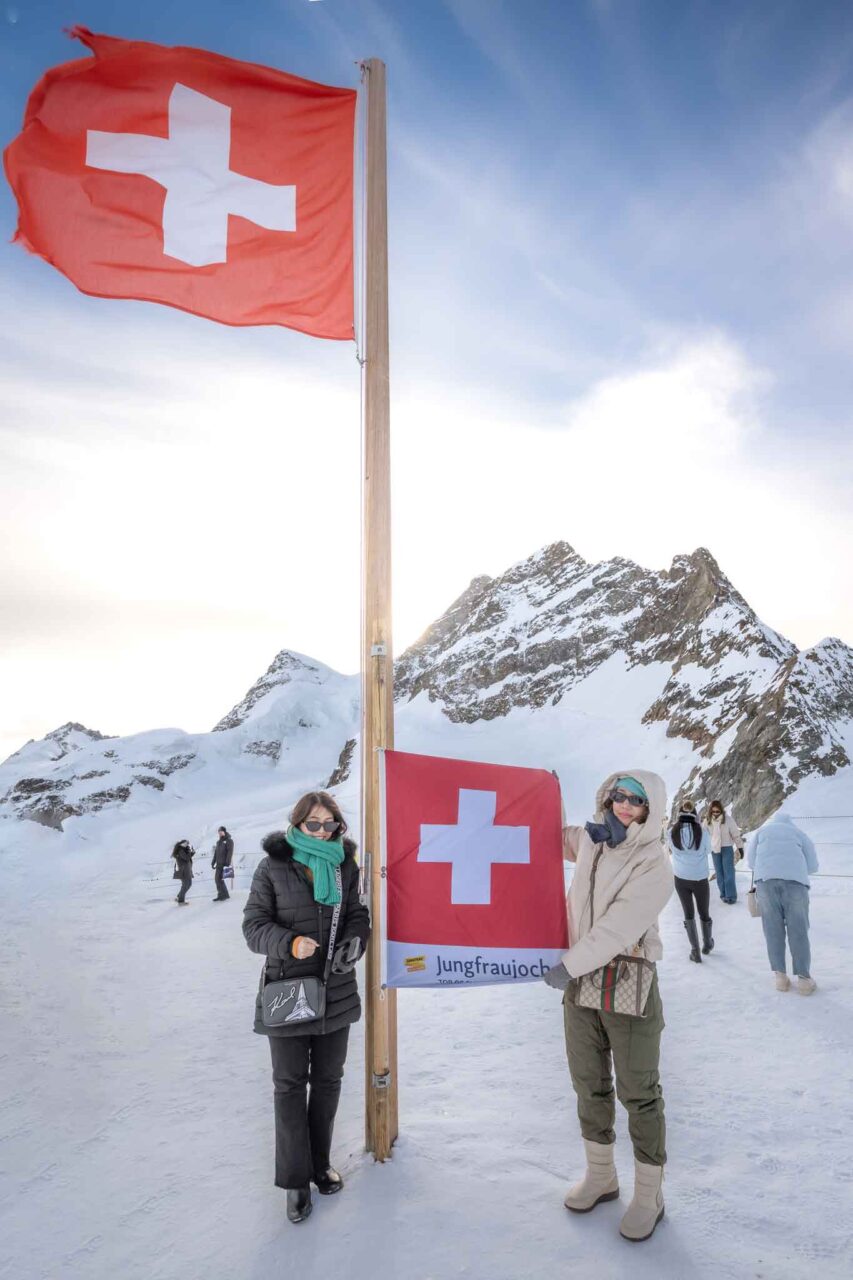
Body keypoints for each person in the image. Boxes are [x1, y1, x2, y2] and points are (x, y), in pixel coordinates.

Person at [543, 772, 673, 1243]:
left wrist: (568, 964)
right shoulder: (594, 840)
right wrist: (543, 792)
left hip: (627, 979)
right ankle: (601, 1176)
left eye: (636, 800)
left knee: (638, 1092)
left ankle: (649, 1195)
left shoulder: (654, 861)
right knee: (588, 1083)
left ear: (650, 808)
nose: (624, 805)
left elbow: (619, 929)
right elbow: (550, 836)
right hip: (581, 983)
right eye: (619, 796)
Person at [242, 791, 370, 1225]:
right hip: (288, 992)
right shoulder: (273, 867)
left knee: (329, 1081)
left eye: (328, 824)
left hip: (335, 988)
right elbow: (254, 927)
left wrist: (356, 940)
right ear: (297, 824)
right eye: (313, 823)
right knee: (290, 1086)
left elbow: (357, 914)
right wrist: (290, 943)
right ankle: (295, 1181)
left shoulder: (344, 866)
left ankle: (320, 1164)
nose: (321, 830)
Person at [747, 812, 819, 995]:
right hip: (795, 884)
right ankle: (803, 980)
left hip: (766, 883)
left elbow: (751, 861)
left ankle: (780, 977)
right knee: (798, 931)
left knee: (772, 930)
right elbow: (813, 866)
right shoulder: (799, 834)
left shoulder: (762, 832)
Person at [667, 801, 713, 962]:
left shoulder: (671, 832)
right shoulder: (703, 831)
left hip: (681, 878)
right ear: (694, 814)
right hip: (700, 878)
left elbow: (671, 850)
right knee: (704, 912)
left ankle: (695, 951)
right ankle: (707, 944)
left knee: (689, 914)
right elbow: (708, 850)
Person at [703, 800, 743, 905]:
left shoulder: (728, 820)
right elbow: (703, 836)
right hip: (715, 850)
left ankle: (731, 896)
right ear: (710, 811)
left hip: (726, 848)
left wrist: (740, 847)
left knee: (728, 872)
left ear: (721, 810)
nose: (716, 813)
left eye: (718, 811)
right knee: (719, 874)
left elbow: (735, 834)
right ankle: (723, 894)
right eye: (713, 811)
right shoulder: (707, 821)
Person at [212, 826, 234, 901]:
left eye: (221, 832)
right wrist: (213, 862)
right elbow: (216, 853)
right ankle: (223, 895)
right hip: (218, 864)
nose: (220, 833)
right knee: (217, 879)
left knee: (219, 879)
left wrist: (227, 863)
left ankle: (223, 895)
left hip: (224, 864)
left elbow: (230, 852)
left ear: (224, 832)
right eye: (219, 832)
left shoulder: (229, 841)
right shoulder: (218, 842)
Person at [172, 839, 194, 904]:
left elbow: (188, 856)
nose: (187, 845)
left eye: (187, 843)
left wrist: (192, 851)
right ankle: (181, 901)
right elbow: (187, 858)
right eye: (186, 843)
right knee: (186, 885)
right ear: (182, 844)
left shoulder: (184, 850)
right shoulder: (180, 851)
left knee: (186, 885)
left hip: (186, 870)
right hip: (184, 871)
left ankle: (179, 896)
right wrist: (190, 851)